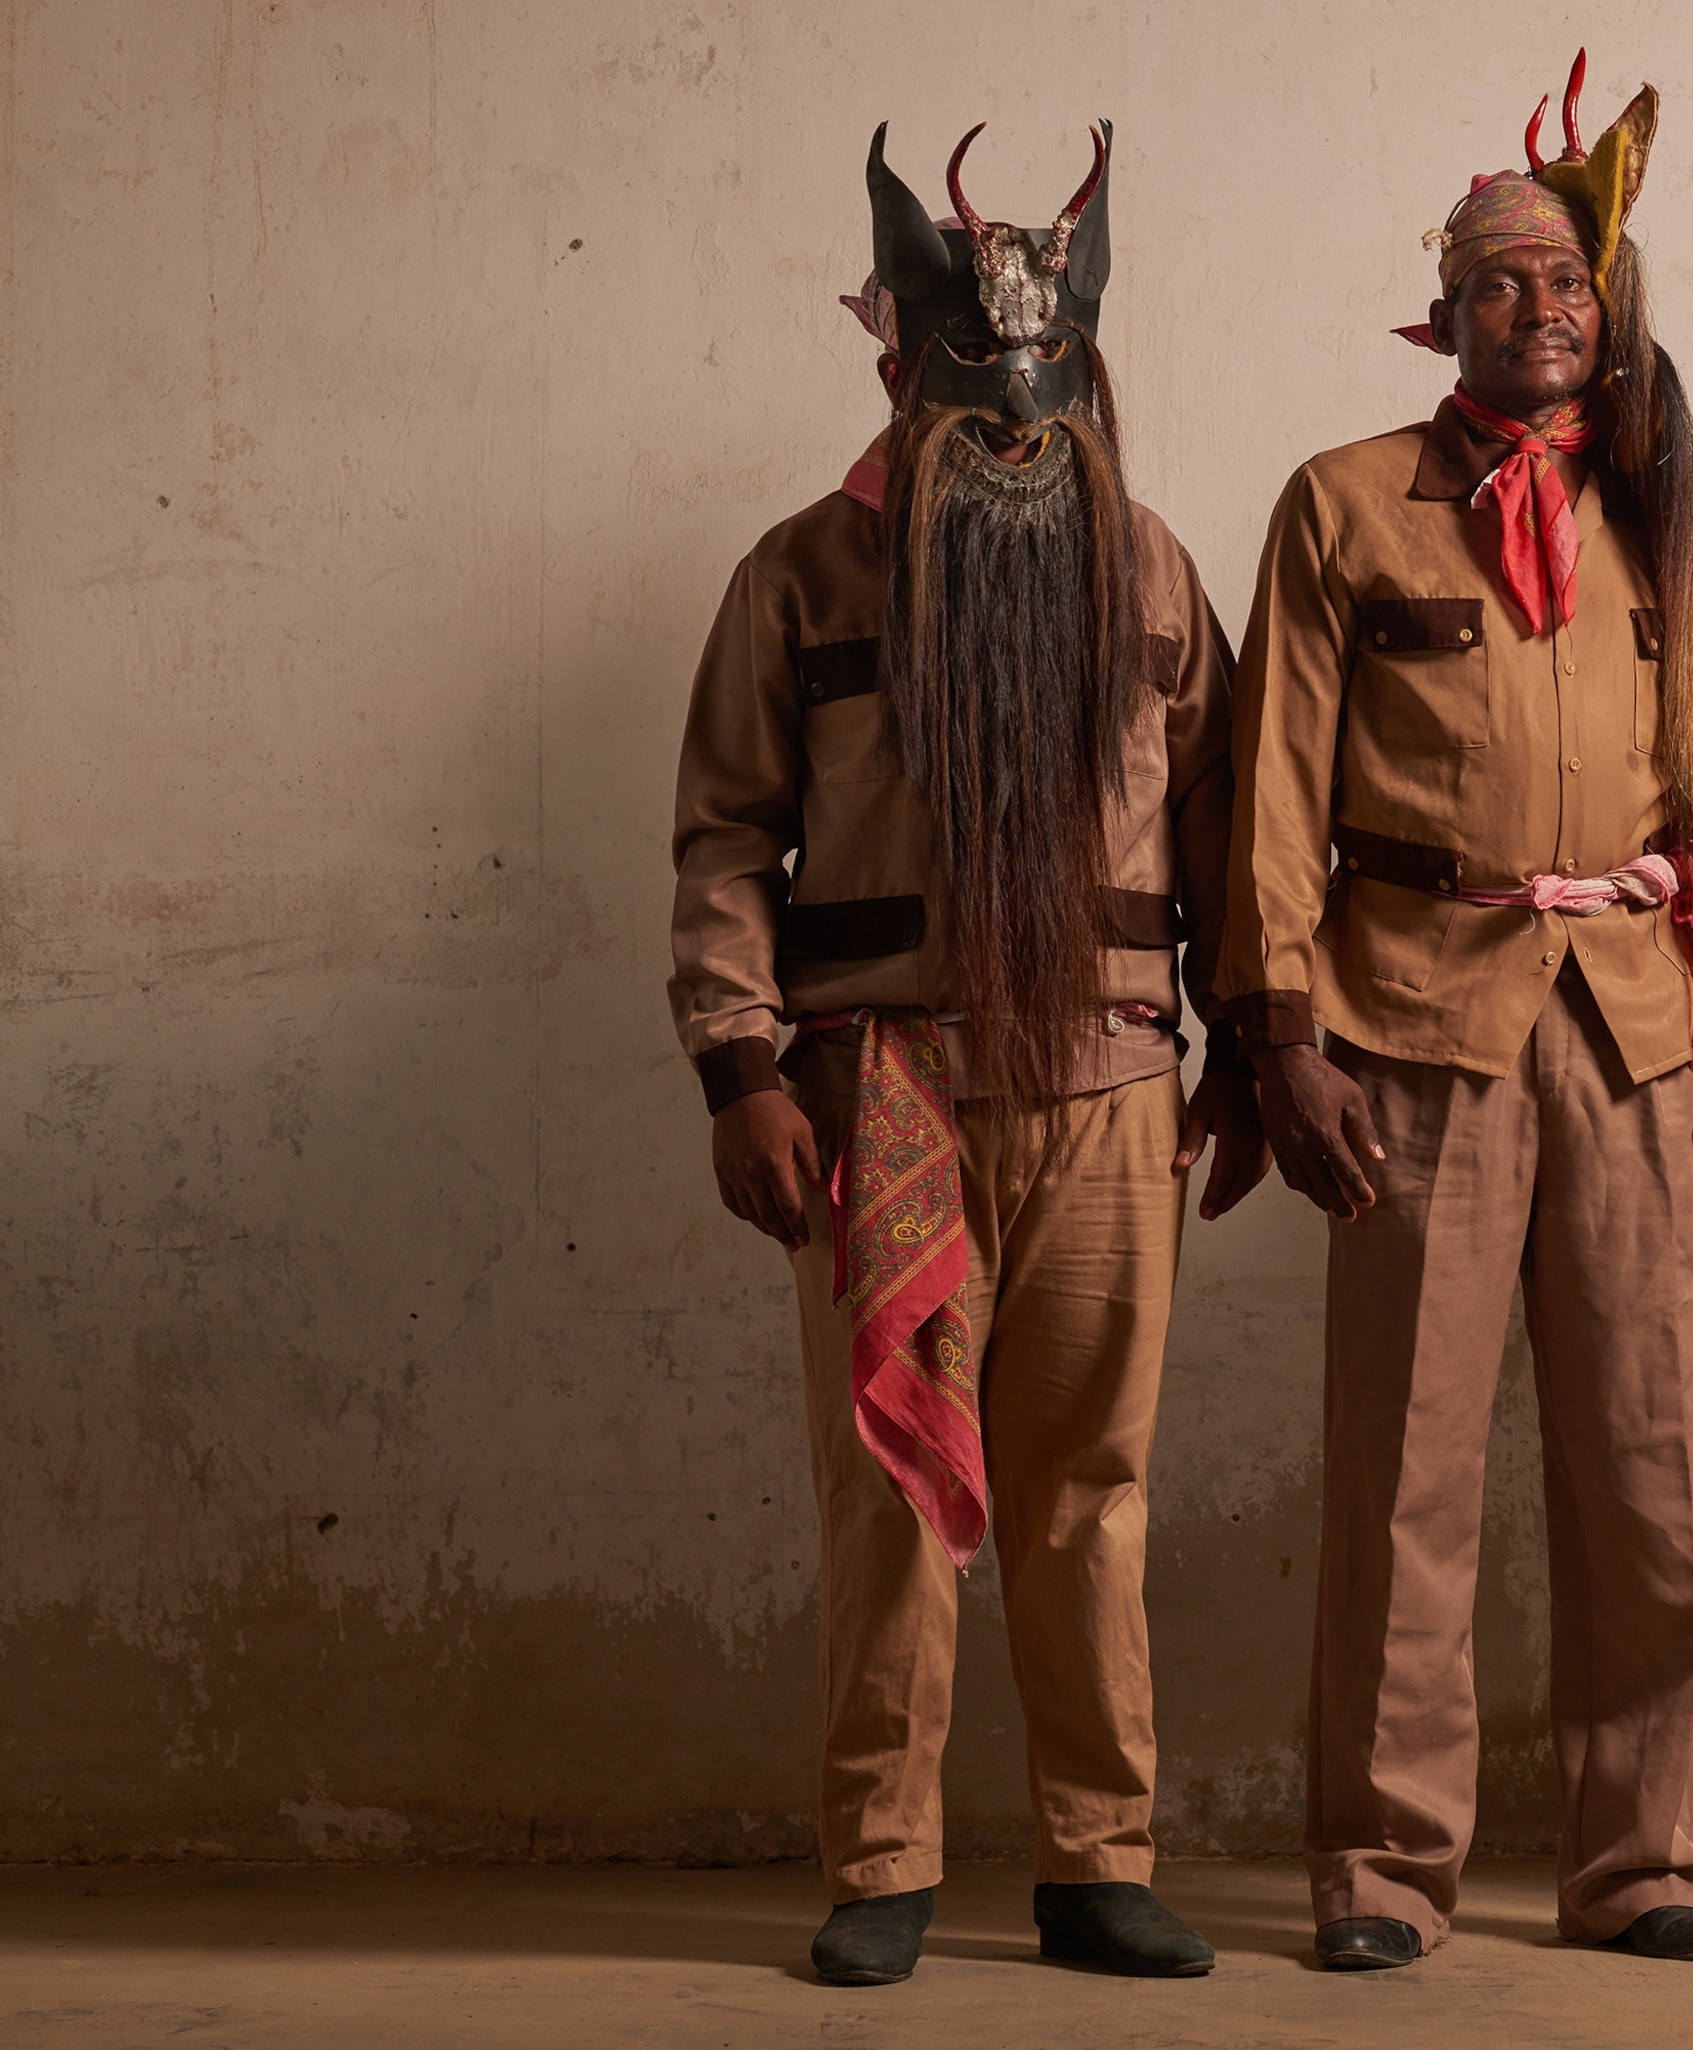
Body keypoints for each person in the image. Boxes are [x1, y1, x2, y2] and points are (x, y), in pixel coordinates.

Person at [1217, 52, 1693, 1971]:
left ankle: (1643, 1859)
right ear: (1443, 309)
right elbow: (1275, 788)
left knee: (1650, 1460)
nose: (1538, 313)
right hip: (1414, 1022)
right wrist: (1276, 1029)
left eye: (1567, 286)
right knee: (1408, 1473)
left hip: (1632, 1030)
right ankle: (1385, 1870)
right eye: (1497, 284)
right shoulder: (1344, 509)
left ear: (1605, 309)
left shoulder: (1662, 512)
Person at [666, 117, 1263, 1986]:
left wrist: (1238, 1054)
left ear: (1088, 378)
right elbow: (721, 836)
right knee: (890, 1492)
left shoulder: (1153, 571)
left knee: (1092, 1485)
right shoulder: (798, 578)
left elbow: (1239, 823)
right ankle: (886, 1862)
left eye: (1049, 384)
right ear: (896, 366)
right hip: (887, 1093)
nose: (1013, 419)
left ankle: (1097, 1859)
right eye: (969, 382)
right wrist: (741, 1068)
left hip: (1107, 1090)